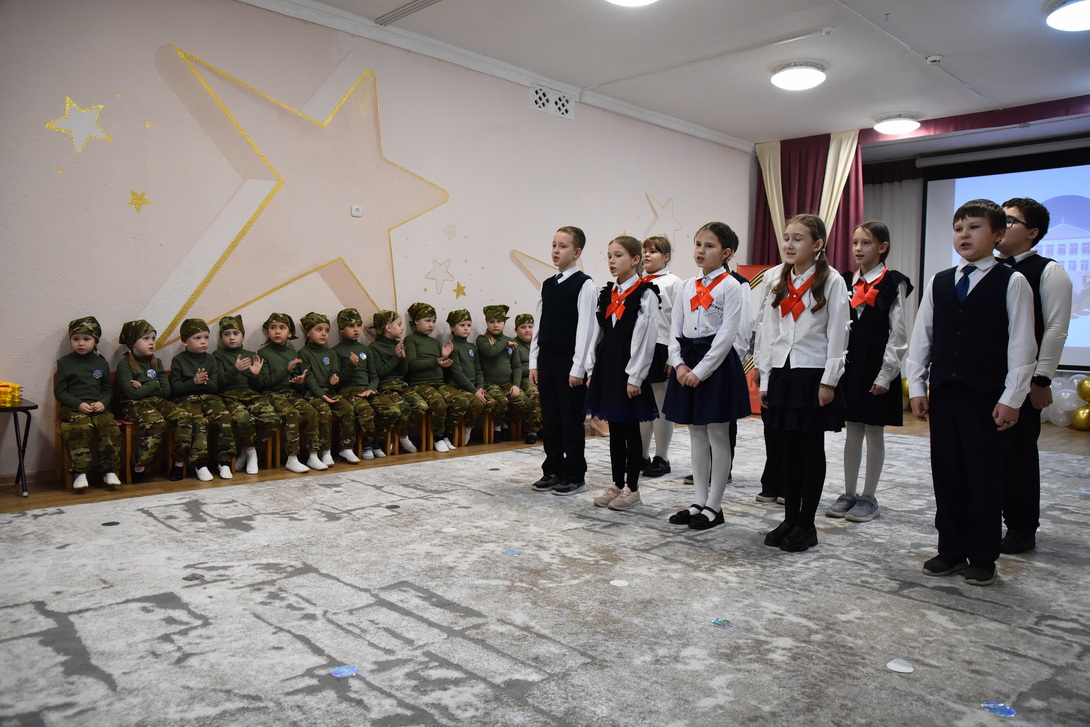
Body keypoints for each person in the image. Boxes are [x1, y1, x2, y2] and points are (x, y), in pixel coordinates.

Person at [906, 199, 1036, 587]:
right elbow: (922, 336)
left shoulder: (1012, 281)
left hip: (987, 396)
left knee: (984, 476)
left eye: (974, 227)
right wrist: (917, 385)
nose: (964, 235)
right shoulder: (940, 281)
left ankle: (982, 555)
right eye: (958, 228)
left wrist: (1012, 398)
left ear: (998, 235)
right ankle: (950, 549)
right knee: (947, 473)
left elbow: (1022, 344)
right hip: (946, 393)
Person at [756, 214, 850, 552]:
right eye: (786, 237)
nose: (789, 244)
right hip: (783, 371)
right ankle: (789, 518)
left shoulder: (832, 281)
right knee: (786, 450)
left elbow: (838, 333)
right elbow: (768, 330)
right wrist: (766, 376)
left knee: (810, 450)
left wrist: (830, 381)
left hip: (813, 374)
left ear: (818, 244)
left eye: (798, 238)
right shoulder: (776, 279)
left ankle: (806, 524)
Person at [664, 222, 752, 530]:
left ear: (726, 253)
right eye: (698, 244)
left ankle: (715, 505)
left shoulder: (732, 286)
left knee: (717, 434)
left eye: (709, 246)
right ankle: (698, 501)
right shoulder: (686, 285)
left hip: (715, 364)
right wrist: (679, 364)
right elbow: (675, 329)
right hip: (687, 361)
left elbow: (727, 335)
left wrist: (702, 371)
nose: (701, 250)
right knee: (696, 434)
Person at [997, 198, 1072, 554]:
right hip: (989, 377)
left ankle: (1022, 527)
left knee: (1019, 454)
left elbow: (1055, 328)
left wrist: (1041, 379)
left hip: (1025, 381)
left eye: (1010, 221)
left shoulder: (1048, 270)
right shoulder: (990, 270)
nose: (1001, 225)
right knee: (987, 454)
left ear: (1032, 232)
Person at [824, 222, 913, 523]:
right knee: (853, 427)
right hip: (852, 362)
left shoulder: (893, 282)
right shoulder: (844, 281)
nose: (858, 249)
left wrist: (886, 374)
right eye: (855, 243)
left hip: (877, 362)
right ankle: (848, 492)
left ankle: (868, 496)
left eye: (866, 243)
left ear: (883, 247)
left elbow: (898, 333)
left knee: (873, 429)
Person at [586, 235, 660, 510]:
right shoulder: (608, 293)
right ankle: (617, 483)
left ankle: (633, 487)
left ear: (635, 259)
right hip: (608, 365)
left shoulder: (645, 294)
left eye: (618, 256)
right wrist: (592, 368)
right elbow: (598, 333)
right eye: (609, 256)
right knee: (615, 428)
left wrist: (636, 376)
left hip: (629, 369)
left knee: (630, 429)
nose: (612, 261)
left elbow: (646, 337)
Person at [529, 226, 597, 495]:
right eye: (554, 245)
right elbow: (539, 325)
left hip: (569, 361)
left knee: (570, 420)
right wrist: (533, 362)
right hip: (547, 358)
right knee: (551, 418)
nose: (556, 251)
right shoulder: (547, 285)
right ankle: (552, 470)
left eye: (563, 246)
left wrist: (579, 367)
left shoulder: (584, 284)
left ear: (577, 252)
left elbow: (586, 328)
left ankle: (574, 474)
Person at [115, 320, 196, 482]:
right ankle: (139, 466)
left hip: (158, 401)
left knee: (184, 417)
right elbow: (132, 394)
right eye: (145, 338)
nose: (151, 342)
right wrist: (153, 384)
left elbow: (166, 391)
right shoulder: (125, 364)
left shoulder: (156, 362)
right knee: (155, 421)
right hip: (132, 405)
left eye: (153, 338)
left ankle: (178, 464)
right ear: (133, 342)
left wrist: (144, 385)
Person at [54, 317, 122, 490]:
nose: (81, 343)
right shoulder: (65, 363)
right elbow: (60, 391)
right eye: (76, 339)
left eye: (86, 339)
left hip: (97, 407)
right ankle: (80, 472)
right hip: (73, 408)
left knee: (108, 424)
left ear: (95, 341)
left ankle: (109, 470)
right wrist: (78, 404)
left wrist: (103, 403)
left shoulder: (101, 363)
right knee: (81, 426)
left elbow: (107, 389)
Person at [170, 318, 237, 481]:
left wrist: (204, 381)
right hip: (187, 399)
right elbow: (175, 389)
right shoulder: (178, 360)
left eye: (206, 337)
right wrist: (193, 382)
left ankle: (224, 462)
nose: (203, 341)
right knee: (198, 421)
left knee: (225, 417)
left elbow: (214, 387)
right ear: (185, 342)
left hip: (209, 397)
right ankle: (200, 463)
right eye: (197, 338)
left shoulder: (210, 359)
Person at [638, 235, 682, 478]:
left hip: (661, 346)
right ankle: (642, 455)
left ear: (666, 257)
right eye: (645, 250)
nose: (647, 255)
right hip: (639, 348)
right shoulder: (638, 281)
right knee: (641, 404)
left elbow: (678, 321)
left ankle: (662, 457)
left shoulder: (674, 283)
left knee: (659, 405)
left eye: (653, 251)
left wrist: (672, 357)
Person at [213, 315, 279, 475]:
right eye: (227, 334)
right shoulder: (218, 355)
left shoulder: (250, 354)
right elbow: (219, 383)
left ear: (242, 336)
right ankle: (251, 453)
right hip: (230, 396)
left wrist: (255, 374)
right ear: (222, 338)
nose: (231, 337)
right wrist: (234, 369)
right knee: (244, 419)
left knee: (272, 419)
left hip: (251, 394)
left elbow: (259, 385)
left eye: (235, 333)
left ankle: (246, 449)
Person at [256, 312, 321, 473]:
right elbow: (264, 383)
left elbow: (297, 381)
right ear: (268, 332)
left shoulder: (293, 354)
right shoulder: (263, 353)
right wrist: (286, 370)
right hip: (272, 393)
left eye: (282, 328)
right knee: (292, 414)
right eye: (273, 328)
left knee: (311, 412)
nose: (277, 331)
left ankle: (313, 455)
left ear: (289, 333)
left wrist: (299, 382)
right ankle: (292, 458)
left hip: (291, 392)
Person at [333, 307, 400, 459]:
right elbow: (338, 381)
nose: (356, 329)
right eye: (351, 326)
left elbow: (374, 376)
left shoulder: (365, 349)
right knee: (366, 412)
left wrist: (371, 389)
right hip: (349, 390)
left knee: (393, 410)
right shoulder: (336, 351)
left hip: (368, 389)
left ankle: (375, 442)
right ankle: (366, 445)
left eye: (358, 325)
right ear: (341, 329)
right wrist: (351, 366)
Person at [404, 302, 468, 452]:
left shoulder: (434, 342)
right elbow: (412, 364)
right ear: (416, 322)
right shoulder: (410, 340)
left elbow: (438, 362)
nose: (431, 325)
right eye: (427, 321)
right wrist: (437, 361)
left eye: (433, 321)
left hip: (439, 383)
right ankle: (437, 437)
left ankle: (446, 434)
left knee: (461, 401)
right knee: (439, 403)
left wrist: (444, 357)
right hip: (420, 384)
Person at [297, 312, 359, 464]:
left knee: (347, 408)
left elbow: (335, 373)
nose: (324, 334)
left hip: (330, 392)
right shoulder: (304, 353)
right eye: (319, 330)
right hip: (312, 393)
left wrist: (334, 380)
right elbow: (309, 379)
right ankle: (325, 451)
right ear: (308, 333)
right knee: (324, 411)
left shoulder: (331, 353)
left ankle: (346, 448)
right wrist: (322, 395)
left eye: (326, 330)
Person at [369, 310, 426, 454]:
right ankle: (399, 437)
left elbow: (403, 372)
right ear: (388, 327)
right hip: (386, 387)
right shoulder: (374, 347)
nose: (402, 328)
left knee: (421, 406)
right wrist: (395, 357)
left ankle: (402, 433)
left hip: (401, 384)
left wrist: (403, 358)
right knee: (403, 408)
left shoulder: (400, 344)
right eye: (399, 324)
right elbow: (380, 372)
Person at [477, 304, 529, 443]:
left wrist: (516, 385)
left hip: (508, 383)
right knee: (502, 402)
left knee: (524, 402)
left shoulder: (510, 342)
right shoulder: (482, 339)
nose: (495, 325)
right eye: (491, 321)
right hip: (490, 384)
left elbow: (517, 366)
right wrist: (505, 342)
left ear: (504, 323)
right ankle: (497, 427)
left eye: (499, 321)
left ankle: (506, 423)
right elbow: (491, 352)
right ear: (487, 323)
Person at [446, 308, 489, 445]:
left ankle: (469, 427)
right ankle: (457, 431)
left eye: (469, 325)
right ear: (453, 328)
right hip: (459, 386)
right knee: (476, 402)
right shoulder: (452, 347)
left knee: (491, 401)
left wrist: (480, 387)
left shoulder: (471, 346)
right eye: (462, 325)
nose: (466, 328)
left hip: (474, 385)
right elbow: (457, 373)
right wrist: (475, 391)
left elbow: (478, 369)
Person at [513, 313, 541, 444]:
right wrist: (532, 369)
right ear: (516, 330)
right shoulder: (514, 345)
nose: (527, 330)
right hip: (523, 379)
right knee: (534, 394)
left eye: (530, 327)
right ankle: (532, 431)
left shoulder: (538, 343)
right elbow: (516, 367)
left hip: (540, 377)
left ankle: (546, 427)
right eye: (523, 327)